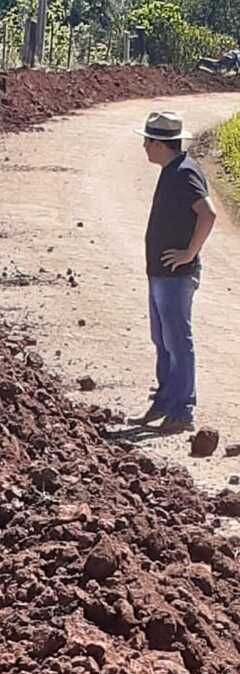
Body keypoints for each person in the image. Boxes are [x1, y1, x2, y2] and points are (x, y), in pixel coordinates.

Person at [130, 111, 216, 433]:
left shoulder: (184, 173)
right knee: (163, 340)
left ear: (158, 143)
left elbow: (207, 213)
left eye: (147, 141)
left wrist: (189, 253)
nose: (144, 147)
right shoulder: (173, 170)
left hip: (176, 276)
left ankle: (182, 411)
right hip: (161, 274)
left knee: (177, 340)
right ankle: (165, 401)